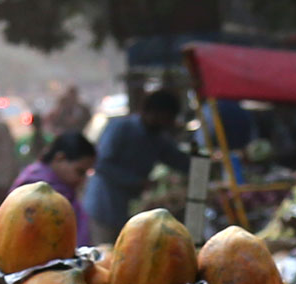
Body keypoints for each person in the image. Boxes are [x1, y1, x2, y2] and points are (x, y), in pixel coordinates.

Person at [81, 87, 183, 242]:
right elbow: (101, 164)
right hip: (104, 207)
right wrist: (137, 181)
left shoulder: (158, 139)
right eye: (167, 118)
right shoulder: (120, 128)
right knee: (106, 251)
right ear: (154, 113)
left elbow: (178, 160)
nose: (169, 123)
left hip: (127, 211)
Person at [14, 130, 96, 206]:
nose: (83, 179)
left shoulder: (64, 189)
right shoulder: (33, 186)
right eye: (80, 172)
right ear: (60, 158)